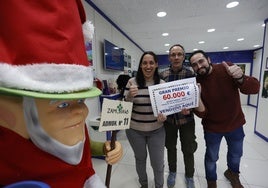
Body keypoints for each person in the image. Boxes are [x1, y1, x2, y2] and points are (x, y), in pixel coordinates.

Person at [0, 1, 122, 187]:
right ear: (9, 112)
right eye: (62, 104)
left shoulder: (69, 128)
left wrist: (105, 148)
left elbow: (83, 148)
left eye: (81, 100)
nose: (82, 112)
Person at [188, 50, 260, 188]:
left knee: (236, 155)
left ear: (208, 60)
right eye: (194, 65)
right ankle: (211, 181)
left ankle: (233, 174)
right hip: (212, 129)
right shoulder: (196, 84)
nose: (199, 66)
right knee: (211, 157)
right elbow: (203, 114)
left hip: (235, 124)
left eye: (201, 61)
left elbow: (255, 88)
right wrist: (197, 98)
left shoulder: (226, 68)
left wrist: (240, 78)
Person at [124, 51, 167, 188]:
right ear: (141, 65)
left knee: (157, 162)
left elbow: (166, 107)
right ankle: (144, 184)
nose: (148, 66)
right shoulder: (132, 82)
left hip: (157, 130)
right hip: (135, 130)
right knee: (140, 159)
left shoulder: (162, 83)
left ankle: (159, 185)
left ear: (156, 65)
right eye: (145, 63)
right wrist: (130, 96)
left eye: (151, 63)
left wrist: (165, 115)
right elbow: (124, 108)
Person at [159, 44, 197, 188]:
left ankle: (189, 176)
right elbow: (159, 98)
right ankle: (172, 172)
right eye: (173, 54)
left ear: (183, 56)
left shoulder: (191, 74)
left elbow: (195, 98)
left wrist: (191, 106)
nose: (176, 57)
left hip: (186, 119)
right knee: (170, 147)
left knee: (188, 148)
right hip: (169, 120)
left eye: (179, 54)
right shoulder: (162, 75)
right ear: (169, 57)